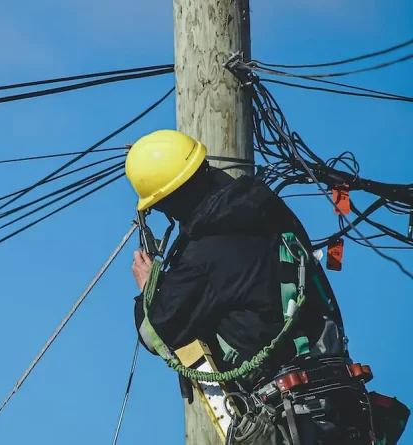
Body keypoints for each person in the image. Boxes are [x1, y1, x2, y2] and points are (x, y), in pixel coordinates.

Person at [124, 129, 406, 445]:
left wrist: (148, 288)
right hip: (344, 401)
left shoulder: (204, 253)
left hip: (290, 414)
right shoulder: (270, 210)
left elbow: (159, 332)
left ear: (168, 202)